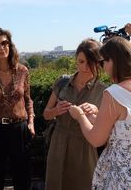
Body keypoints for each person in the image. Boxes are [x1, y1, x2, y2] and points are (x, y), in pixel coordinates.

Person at [43, 38, 106, 190]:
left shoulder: (103, 91)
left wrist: (95, 111)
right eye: (81, 61)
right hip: (59, 142)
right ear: (76, 60)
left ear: (98, 63)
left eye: (90, 63)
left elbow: (103, 130)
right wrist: (56, 111)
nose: (84, 67)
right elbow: (46, 114)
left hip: (84, 147)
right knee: (56, 183)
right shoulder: (62, 82)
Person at [69, 37, 131, 189]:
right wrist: (96, 115)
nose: (102, 66)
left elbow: (97, 140)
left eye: (103, 62)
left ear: (113, 61)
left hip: (121, 172)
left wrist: (81, 116)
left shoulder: (113, 93)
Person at [0, 27, 35, 190]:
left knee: (22, 176)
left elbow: (27, 99)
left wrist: (31, 122)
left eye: (5, 43)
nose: (2, 47)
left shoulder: (23, 71)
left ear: (10, 45)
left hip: (19, 128)